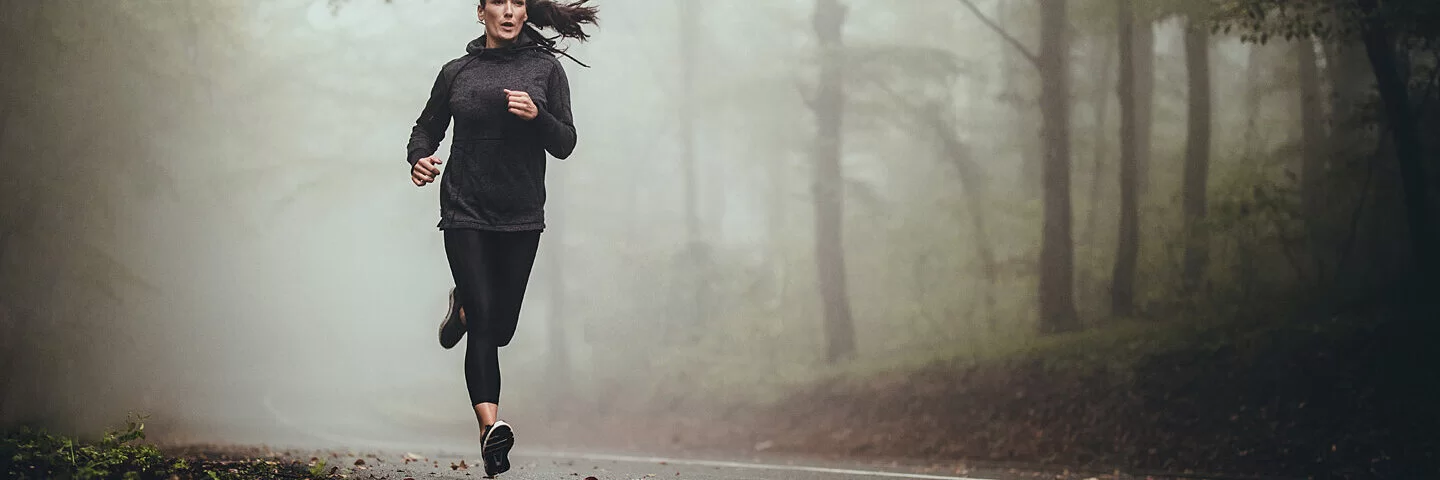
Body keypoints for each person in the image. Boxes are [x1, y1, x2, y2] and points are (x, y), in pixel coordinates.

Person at [405, 0, 597, 476]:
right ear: (481, 12)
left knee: (501, 327)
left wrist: (538, 116)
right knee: (489, 325)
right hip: (464, 209)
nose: (509, 11)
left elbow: (566, 142)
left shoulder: (545, 69)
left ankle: (465, 305)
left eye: (517, 3)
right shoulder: (457, 72)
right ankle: (490, 429)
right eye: (499, 3)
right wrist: (420, 159)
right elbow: (427, 128)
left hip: (521, 213)